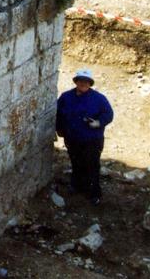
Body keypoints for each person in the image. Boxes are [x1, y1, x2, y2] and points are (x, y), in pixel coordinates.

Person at [56, 69, 114, 205]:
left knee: (92, 166)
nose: (83, 83)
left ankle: (94, 193)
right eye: (80, 80)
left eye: (86, 81)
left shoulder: (99, 99)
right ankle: (77, 186)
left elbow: (109, 114)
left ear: (90, 84)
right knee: (76, 163)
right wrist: (59, 129)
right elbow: (58, 113)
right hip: (72, 138)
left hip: (92, 140)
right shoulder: (66, 97)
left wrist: (98, 123)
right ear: (76, 81)